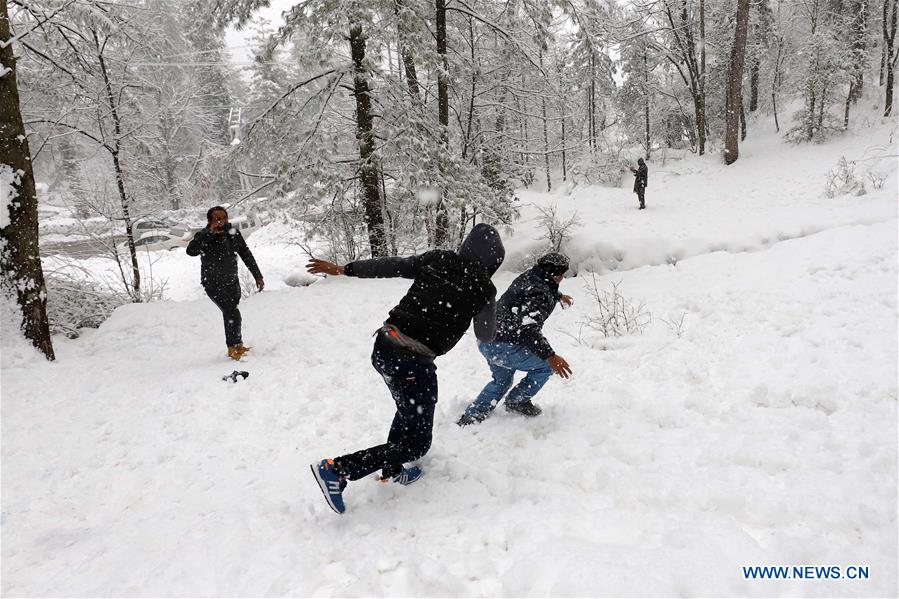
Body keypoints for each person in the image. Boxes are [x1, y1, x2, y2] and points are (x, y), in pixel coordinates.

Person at [306, 223, 505, 514]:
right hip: (413, 360)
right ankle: (337, 469)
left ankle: (391, 468)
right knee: (417, 444)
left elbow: (393, 266)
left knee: (407, 407)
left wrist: (346, 269)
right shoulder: (484, 288)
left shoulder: (438, 258)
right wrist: (488, 309)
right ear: (493, 261)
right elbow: (485, 335)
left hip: (385, 345)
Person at [457, 253, 573, 426]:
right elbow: (528, 329)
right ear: (555, 275)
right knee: (545, 367)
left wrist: (558, 295)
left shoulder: (531, 275)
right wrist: (550, 356)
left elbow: (536, 289)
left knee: (502, 380)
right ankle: (517, 402)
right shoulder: (540, 293)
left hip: (487, 339)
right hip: (504, 346)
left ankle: (473, 414)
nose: (562, 278)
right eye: (561, 275)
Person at [186, 206, 264, 361]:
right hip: (213, 283)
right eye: (217, 218)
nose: (221, 221)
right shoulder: (203, 235)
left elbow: (246, 254)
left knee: (233, 312)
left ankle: (238, 345)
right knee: (230, 311)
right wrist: (209, 233)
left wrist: (258, 276)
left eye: (223, 217)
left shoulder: (233, 233)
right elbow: (191, 251)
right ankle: (232, 347)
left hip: (232, 280)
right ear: (210, 221)